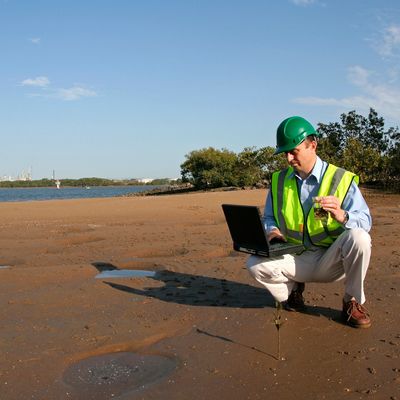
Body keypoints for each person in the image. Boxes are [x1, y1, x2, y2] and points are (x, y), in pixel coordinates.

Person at [246, 116, 372, 328]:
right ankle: (293, 289)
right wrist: (273, 231)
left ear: (312, 145)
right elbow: (268, 217)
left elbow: (366, 221)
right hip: (296, 257)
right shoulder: (278, 180)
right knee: (254, 264)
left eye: (293, 152)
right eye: (284, 153)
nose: (288, 159)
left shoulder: (341, 178)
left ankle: (351, 300)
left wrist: (343, 216)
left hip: (332, 259)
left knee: (359, 238)